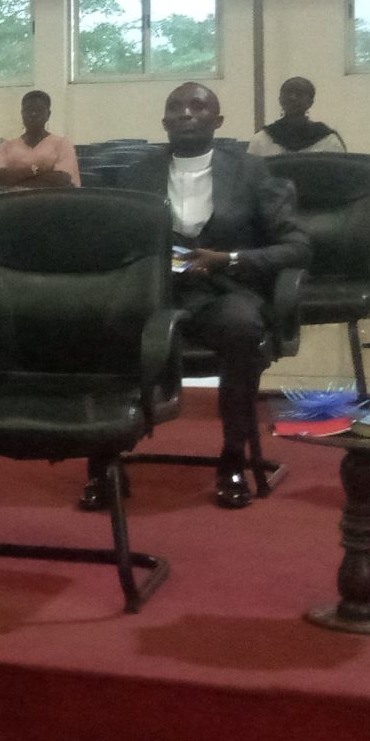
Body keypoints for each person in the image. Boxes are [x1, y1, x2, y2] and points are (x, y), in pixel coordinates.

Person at [117, 83, 311, 510]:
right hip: (156, 294)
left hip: (224, 291)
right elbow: (115, 242)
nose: (186, 113)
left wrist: (231, 259)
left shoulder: (251, 172)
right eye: (176, 107)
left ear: (217, 121)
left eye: (197, 106)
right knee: (100, 324)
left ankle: (233, 457)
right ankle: (103, 461)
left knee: (241, 328)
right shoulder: (135, 176)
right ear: (164, 121)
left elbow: (297, 246)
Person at [0, 90, 79, 190]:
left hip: (51, 197)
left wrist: (14, 181)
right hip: (14, 198)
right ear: (22, 114)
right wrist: (37, 171)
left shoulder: (62, 144)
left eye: (39, 110)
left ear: (48, 115)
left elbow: (62, 179)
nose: (33, 114)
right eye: (28, 110)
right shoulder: (7, 145)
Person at [252, 77, 347, 156]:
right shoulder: (261, 140)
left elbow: (339, 171)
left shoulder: (328, 140)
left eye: (299, 93)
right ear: (280, 99)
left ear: (310, 102)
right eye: (288, 92)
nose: (293, 97)